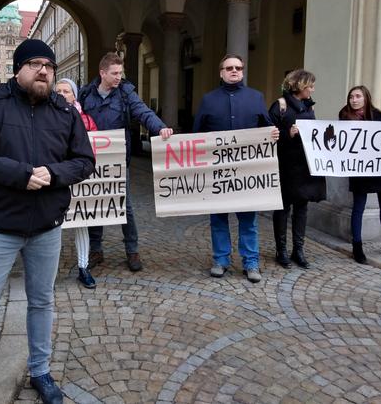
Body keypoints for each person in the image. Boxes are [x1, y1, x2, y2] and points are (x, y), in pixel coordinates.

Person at [0, 39, 95, 404]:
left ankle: (40, 371)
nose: (43, 70)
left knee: (42, 302)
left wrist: (53, 173)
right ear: (18, 69)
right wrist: (21, 174)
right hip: (0, 225)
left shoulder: (64, 111)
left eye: (48, 65)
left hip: (47, 226)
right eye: (34, 63)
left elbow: (84, 160)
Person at [79, 52, 173, 272]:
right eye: (114, 73)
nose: (118, 77)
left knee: (125, 206)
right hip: (91, 158)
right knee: (95, 201)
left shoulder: (125, 93)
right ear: (102, 73)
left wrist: (160, 127)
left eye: (120, 72)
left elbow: (143, 112)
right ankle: (95, 249)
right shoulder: (86, 94)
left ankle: (132, 250)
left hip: (118, 158)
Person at [193, 54, 279, 283]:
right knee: (218, 219)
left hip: (246, 174)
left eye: (238, 68)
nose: (234, 71)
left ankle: (251, 261)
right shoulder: (208, 100)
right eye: (229, 68)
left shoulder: (256, 97)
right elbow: (197, 135)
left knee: (248, 220)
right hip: (217, 173)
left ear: (242, 71)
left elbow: (267, 128)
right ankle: (221, 259)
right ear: (221, 72)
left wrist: (273, 134)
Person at [339, 85, 381, 264]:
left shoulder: (377, 114)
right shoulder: (345, 115)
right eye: (351, 97)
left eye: (357, 96)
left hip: (379, 168)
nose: (353, 100)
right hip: (360, 169)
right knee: (358, 208)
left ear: (366, 98)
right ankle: (357, 245)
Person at [269, 69, 326, 269]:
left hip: (305, 166)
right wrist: (288, 133)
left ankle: (298, 250)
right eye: (310, 85)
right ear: (300, 86)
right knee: (283, 208)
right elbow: (269, 135)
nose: (313, 89)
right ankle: (281, 250)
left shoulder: (309, 107)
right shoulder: (280, 105)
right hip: (286, 165)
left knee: (302, 208)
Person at [55, 77, 98, 289]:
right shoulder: (46, 116)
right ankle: (49, 271)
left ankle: (83, 267)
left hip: (79, 179)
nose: (62, 94)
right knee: (53, 226)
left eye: (67, 91)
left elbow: (98, 148)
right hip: (56, 179)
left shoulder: (87, 120)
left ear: (74, 95)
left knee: (81, 223)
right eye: (59, 91)